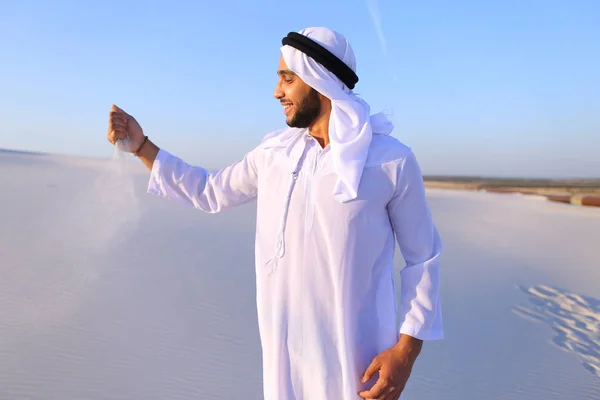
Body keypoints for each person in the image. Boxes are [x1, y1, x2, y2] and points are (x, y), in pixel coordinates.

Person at [107, 27, 443, 400]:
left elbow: (423, 258)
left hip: (358, 368)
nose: (276, 92)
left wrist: (405, 352)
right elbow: (209, 191)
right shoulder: (274, 154)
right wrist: (142, 147)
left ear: (320, 81)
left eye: (287, 78)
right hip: (285, 362)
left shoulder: (391, 160)